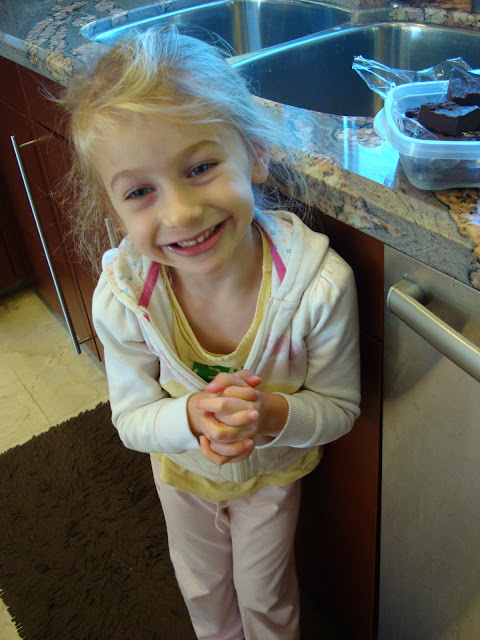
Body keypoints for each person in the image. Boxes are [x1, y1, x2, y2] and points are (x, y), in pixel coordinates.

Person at [59, 28, 361, 640]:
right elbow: (132, 418)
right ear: (113, 207)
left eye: (200, 167)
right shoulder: (124, 298)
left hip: (272, 479)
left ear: (254, 153)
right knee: (202, 591)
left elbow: (340, 409)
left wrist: (271, 414)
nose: (181, 214)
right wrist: (190, 418)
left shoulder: (317, 286)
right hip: (180, 476)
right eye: (141, 192)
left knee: (266, 596)